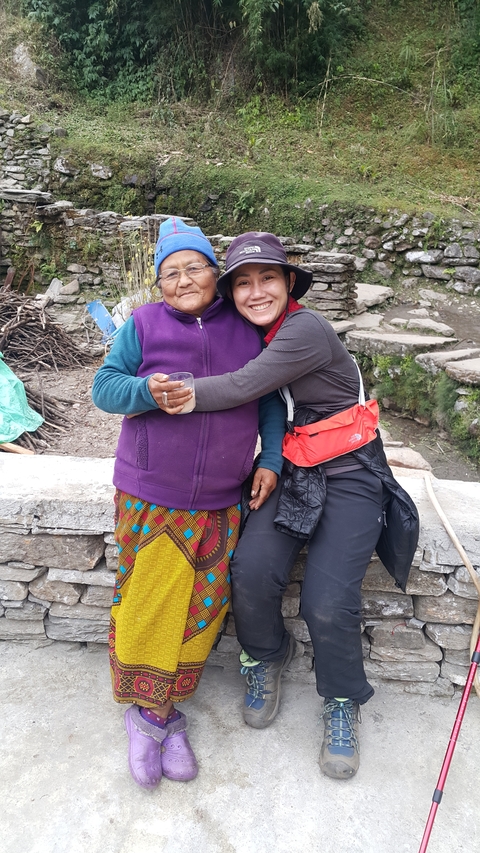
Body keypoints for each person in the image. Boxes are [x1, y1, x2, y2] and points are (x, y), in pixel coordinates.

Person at [159, 231, 419, 781]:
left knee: (327, 600)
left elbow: (245, 385)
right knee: (249, 570)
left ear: (288, 283)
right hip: (299, 469)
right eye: (243, 284)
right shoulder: (260, 332)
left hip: (350, 473)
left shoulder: (303, 329)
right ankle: (266, 656)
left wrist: (176, 394)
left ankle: (342, 701)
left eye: (267, 279)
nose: (255, 292)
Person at [91, 218, 284, 790]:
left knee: (201, 610)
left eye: (194, 267)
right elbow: (105, 386)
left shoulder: (247, 331)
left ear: (213, 273)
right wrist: (144, 391)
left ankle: (164, 708)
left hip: (223, 500)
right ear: (158, 283)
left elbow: (271, 401)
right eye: (169, 273)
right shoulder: (145, 325)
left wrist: (269, 458)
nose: (182, 280)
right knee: (151, 604)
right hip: (153, 495)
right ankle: (151, 718)